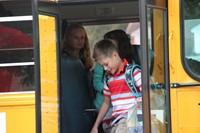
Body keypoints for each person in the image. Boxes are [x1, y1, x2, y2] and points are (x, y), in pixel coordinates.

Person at [91, 39, 142, 133]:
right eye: (102, 66)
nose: (105, 68)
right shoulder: (108, 79)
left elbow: (149, 94)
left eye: (106, 64)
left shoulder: (133, 73)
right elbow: (106, 103)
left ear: (115, 55)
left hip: (138, 118)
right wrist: (95, 126)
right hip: (120, 120)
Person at [61, 23, 95, 133]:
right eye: (76, 38)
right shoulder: (63, 59)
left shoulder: (84, 58)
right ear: (68, 39)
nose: (79, 41)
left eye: (82, 38)